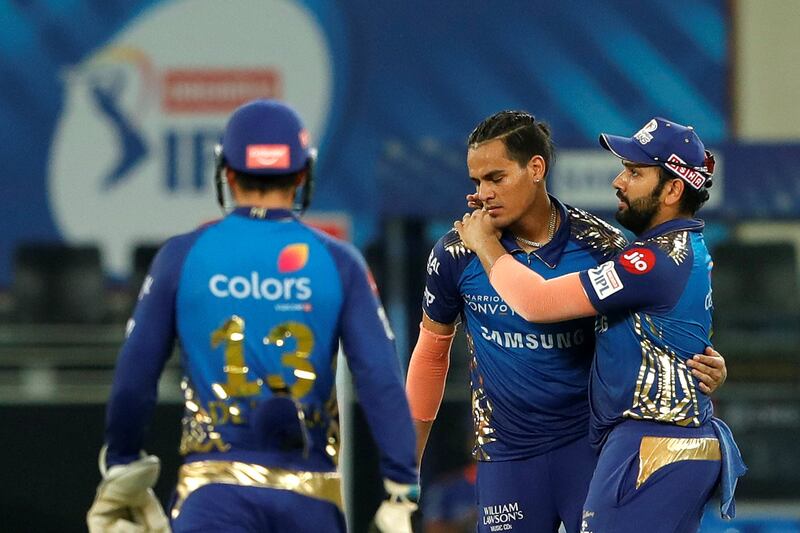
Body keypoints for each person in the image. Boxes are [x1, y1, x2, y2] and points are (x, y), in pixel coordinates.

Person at [87, 99, 419, 533]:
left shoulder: (182, 257)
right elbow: (380, 376)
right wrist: (402, 485)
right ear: (303, 175)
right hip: (311, 498)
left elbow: (135, 373)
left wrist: (122, 463)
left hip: (212, 496)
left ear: (225, 171)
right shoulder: (340, 262)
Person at [405, 111, 727, 533]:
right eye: (476, 182)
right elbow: (430, 354)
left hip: (591, 447)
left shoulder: (603, 244)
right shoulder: (454, 254)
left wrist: (703, 364)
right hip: (506, 454)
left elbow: (651, 317)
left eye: (496, 178)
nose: (483, 194)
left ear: (535, 168)